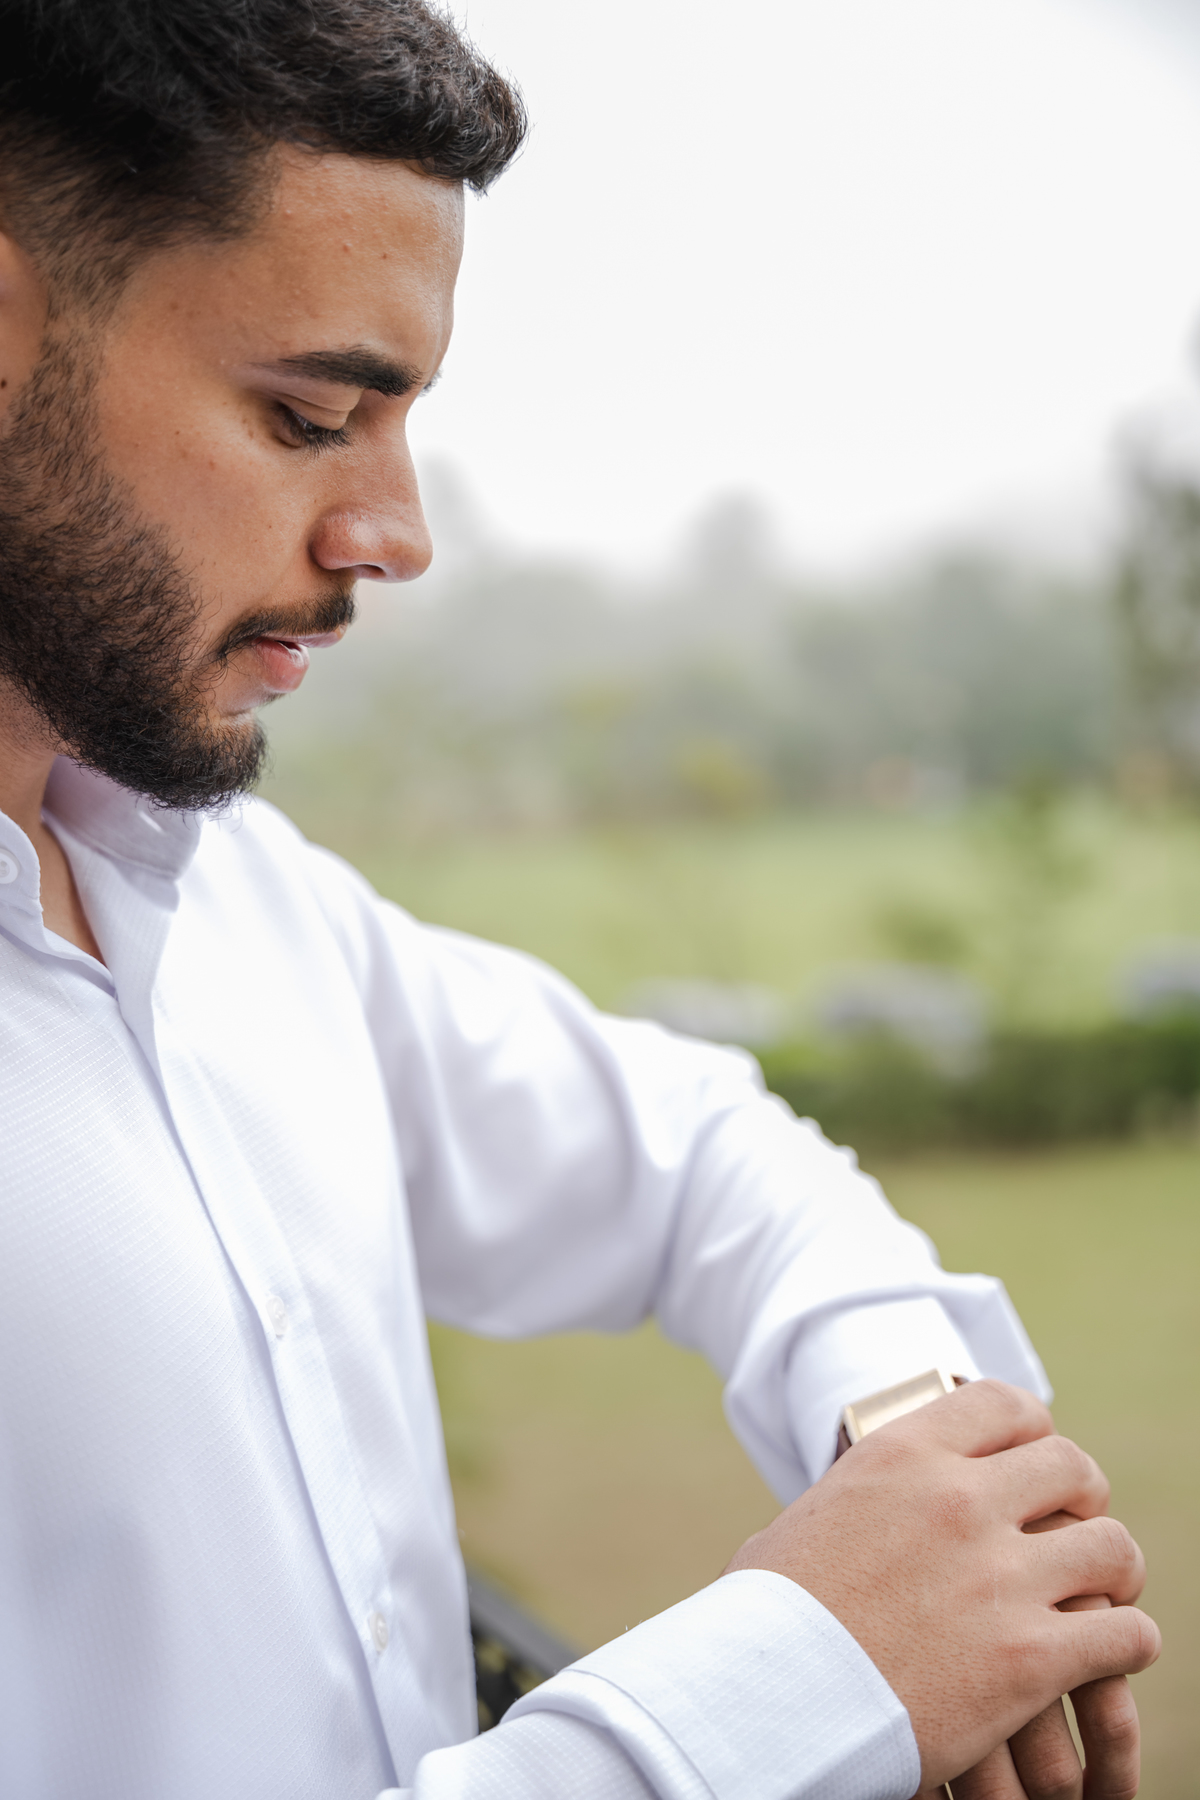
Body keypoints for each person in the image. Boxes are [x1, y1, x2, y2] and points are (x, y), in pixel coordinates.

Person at [0, 3, 1158, 1797]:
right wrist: (802, 1676)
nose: (395, 530)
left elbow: (693, 1150)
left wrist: (913, 1449)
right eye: (311, 414)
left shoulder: (227, 897)